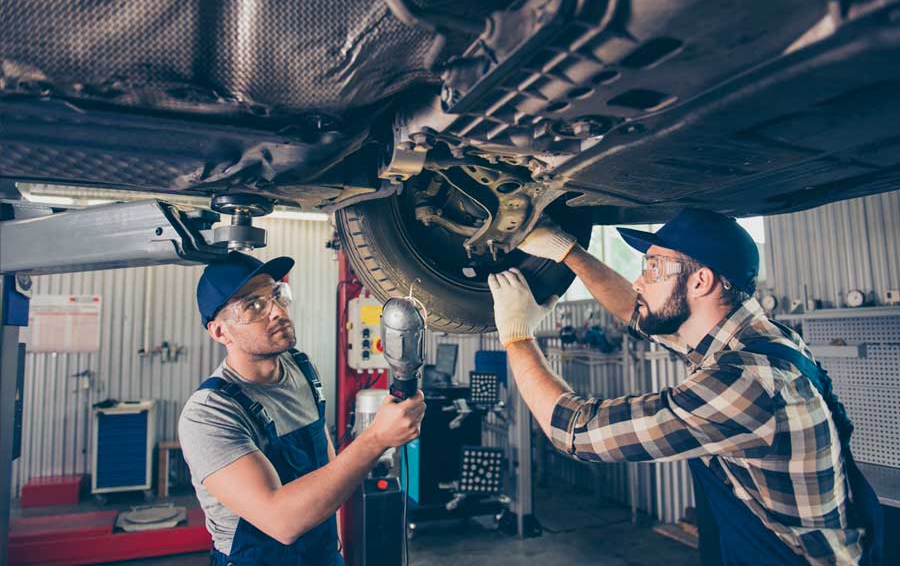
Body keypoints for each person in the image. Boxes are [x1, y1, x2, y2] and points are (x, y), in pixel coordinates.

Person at [488, 208, 883, 566]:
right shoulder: (758, 339)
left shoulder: (747, 382)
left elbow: (575, 432)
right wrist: (567, 251)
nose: (640, 280)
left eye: (655, 267)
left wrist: (517, 335)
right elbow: (634, 309)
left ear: (700, 282)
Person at [179, 251, 425, 565]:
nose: (277, 312)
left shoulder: (300, 368)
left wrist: (335, 548)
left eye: (277, 295)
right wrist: (376, 438)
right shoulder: (209, 414)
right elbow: (281, 521)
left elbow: (325, 454)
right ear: (219, 331)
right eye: (254, 305)